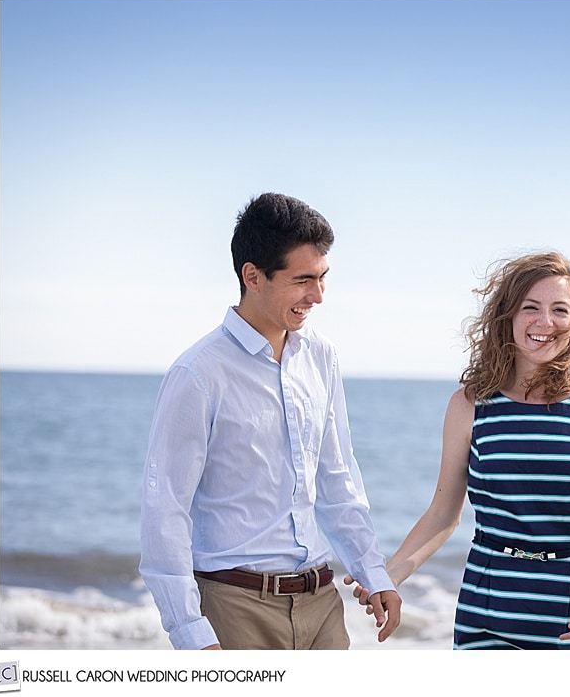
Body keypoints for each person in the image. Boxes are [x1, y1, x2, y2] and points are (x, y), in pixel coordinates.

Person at [139, 192, 401, 650]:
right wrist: (190, 631)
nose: (318, 296)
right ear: (253, 276)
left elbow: (336, 476)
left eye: (322, 279)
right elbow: (165, 511)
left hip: (322, 605)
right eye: (303, 281)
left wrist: (372, 570)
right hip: (234, 608)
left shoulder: (322, 356)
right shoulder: (197, 375)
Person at [347, 251, 570, 649]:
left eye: (559, 309)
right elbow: (443, 515)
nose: (545, 322)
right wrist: (387, 575)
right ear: (508, 316)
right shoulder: (470, 405)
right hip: (487, 614)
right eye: (530, 308)